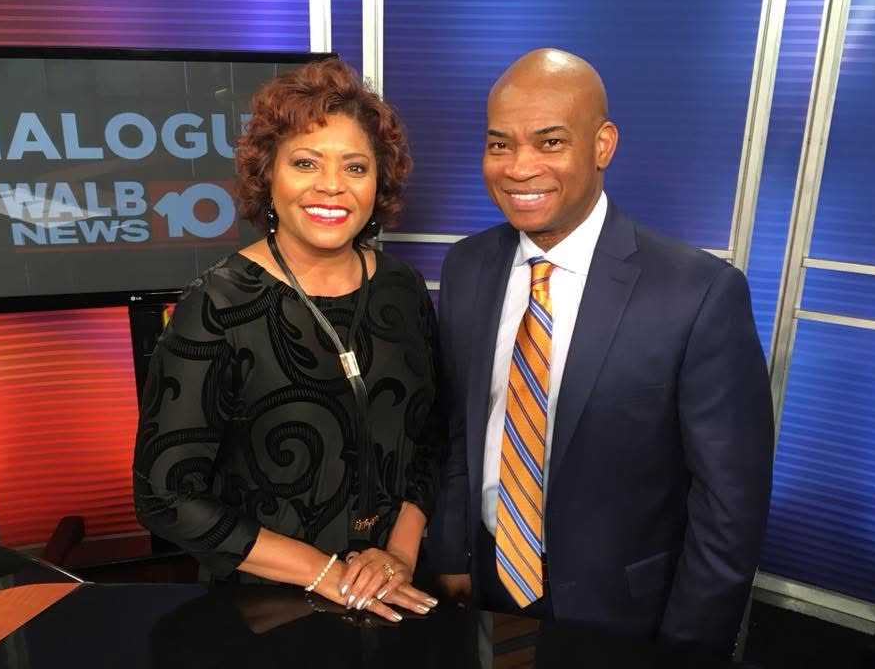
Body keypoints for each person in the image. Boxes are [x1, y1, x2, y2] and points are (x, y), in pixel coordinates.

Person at [426, 48, 774, 655]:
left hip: (624, 617)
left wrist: (688, 649)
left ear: (602, 145)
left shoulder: (699, 292)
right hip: (487, 582)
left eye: (550, 142)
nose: (519, 167)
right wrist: (452, 550)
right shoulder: (466, 266)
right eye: (500, 144)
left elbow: (729, 506)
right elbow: (461, 426)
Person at [133, 58, 441, 623]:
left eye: (355, 166)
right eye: (305, 163)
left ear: (379, 182)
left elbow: (431, 438)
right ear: (267, 175)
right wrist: (326, 574)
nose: (331, 185)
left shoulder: (403, 288)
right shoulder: (217, 305)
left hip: (391, 589)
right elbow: (166, 495)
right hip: (266, 606)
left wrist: (398, 555)